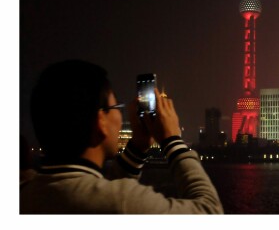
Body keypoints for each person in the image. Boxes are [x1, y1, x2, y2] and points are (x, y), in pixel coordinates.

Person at [20, 60, 223, 214]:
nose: (121, 115)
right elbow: (209, 211)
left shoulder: (25, 191)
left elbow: (96, 189)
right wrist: (172, 140)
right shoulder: (123, 202)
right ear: (101, 121)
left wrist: (138, 146)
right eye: (116, 107)